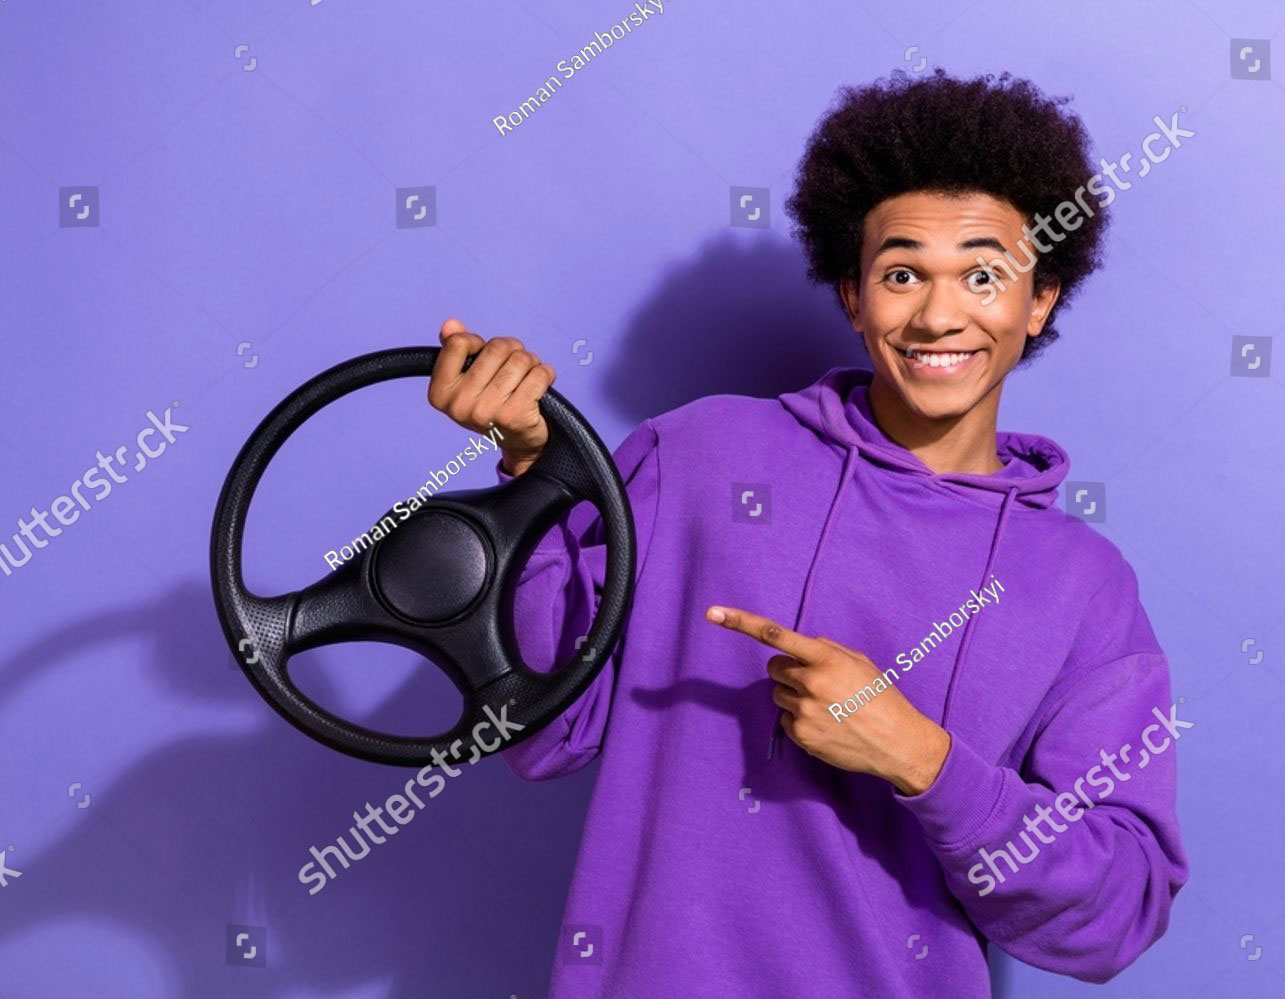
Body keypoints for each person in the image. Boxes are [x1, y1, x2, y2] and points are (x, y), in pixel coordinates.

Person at [427, 69, 1188, 999]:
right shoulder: (698, 454)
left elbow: (1115, 914)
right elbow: (542, 731)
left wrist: (921, 758)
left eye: (983, 275)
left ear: (1039, 301)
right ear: (852, 294)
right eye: (902, 272)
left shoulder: (1084, 588)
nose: (940, 314)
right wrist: (533, 476)